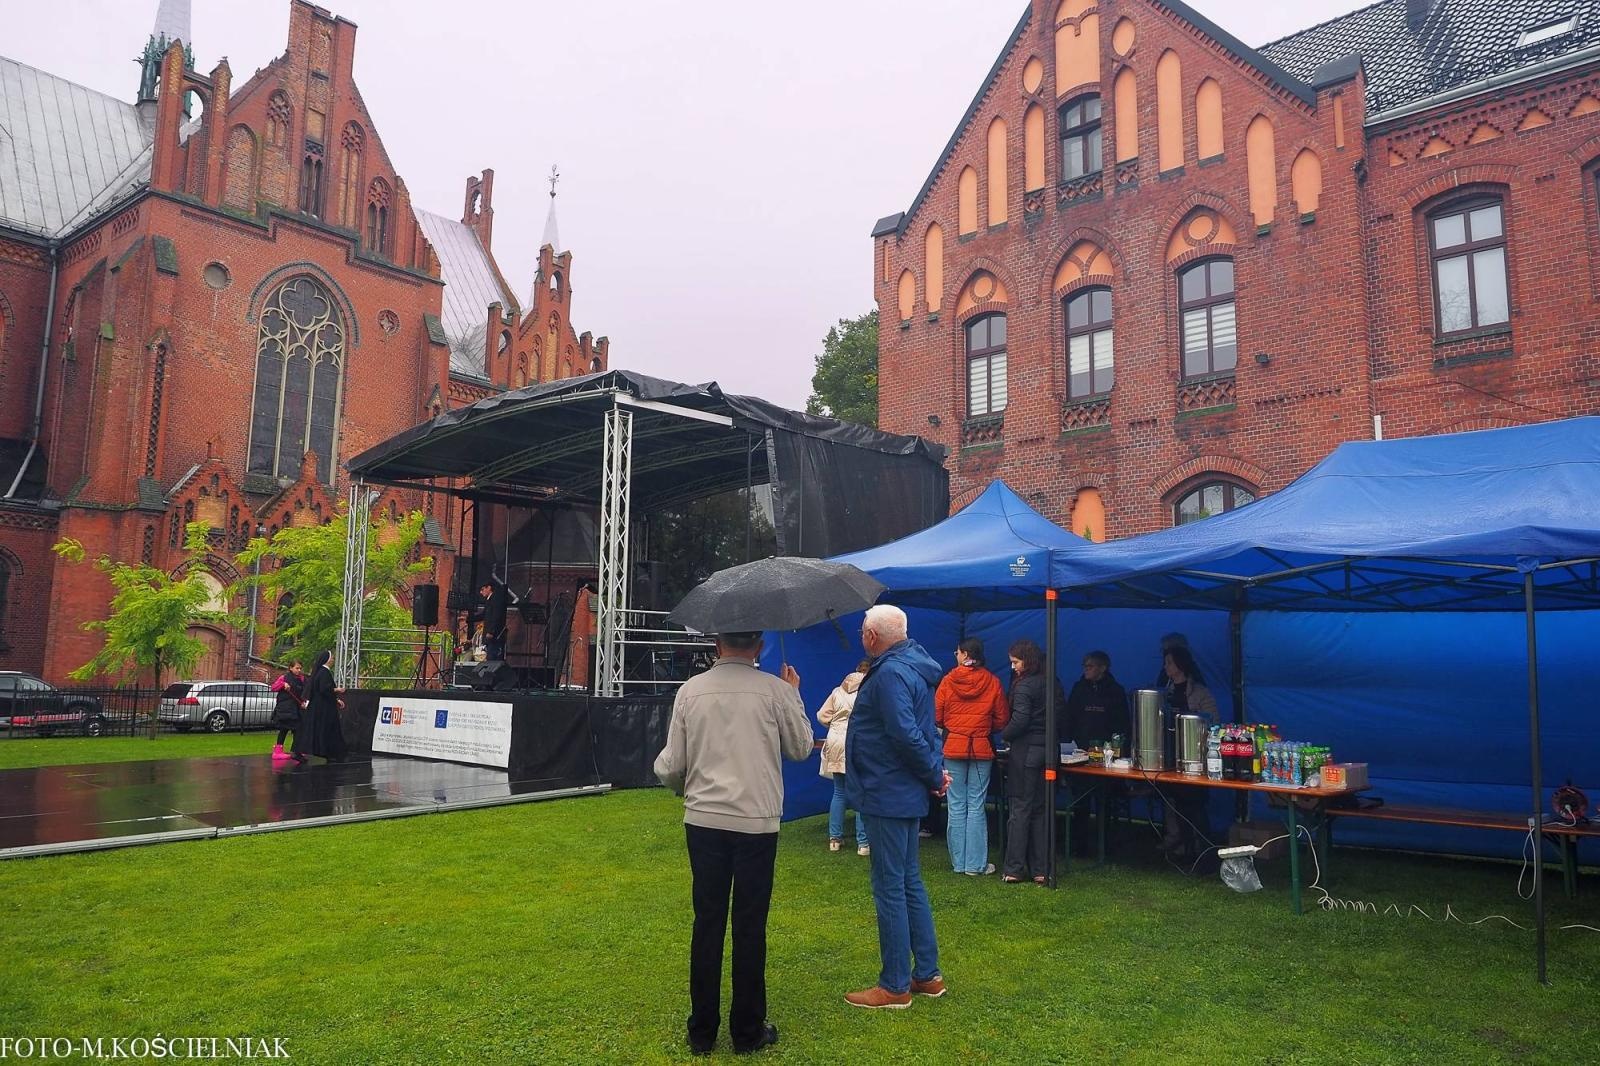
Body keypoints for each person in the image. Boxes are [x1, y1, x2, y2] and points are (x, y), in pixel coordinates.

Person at [653, 631, 812, 1056]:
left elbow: (673, 763)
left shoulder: (691, 690)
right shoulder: (777, 692)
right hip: (756, 822)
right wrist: (793, 696)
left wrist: (676, 783)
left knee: (707, 921)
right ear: (758, 646)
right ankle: (747, 1031)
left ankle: (701, 1031)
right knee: (749, 925)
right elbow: (799, 749)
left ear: (717, 645)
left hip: (704, 820)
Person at [843, 604, 949, 1010]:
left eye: (861, 630)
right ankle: (927, 975)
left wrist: (933, 775)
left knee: (891, 887)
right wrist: (934, 773)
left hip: (887, 792)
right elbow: (926, 730)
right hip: (900, 790)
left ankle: (895, 985)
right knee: (908, 882)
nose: (860, 636)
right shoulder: (914, 667)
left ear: (872, 637)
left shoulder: (888, 673)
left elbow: (906, 735)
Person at [934, 638, 1008, 876]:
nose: (955, 655)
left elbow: (937, 716)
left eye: (957, 652)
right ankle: (975, 865)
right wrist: (982, 729)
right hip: (980, 749)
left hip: (954, 746)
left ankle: (959, 863)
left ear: (965, 654)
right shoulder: (993, 681)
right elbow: (1002, 718)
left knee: (955, 805)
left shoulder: (947, 681)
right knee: (976, 805)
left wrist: (955, 728)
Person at [1000, 638, 1066, 884]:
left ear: (1027, 661)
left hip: (1025, 752)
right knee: (1040, 810)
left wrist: (1003, 734)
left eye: (1015, 662)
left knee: (1019, 810)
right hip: (1048, 752)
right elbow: (1061, 716)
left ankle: (1014, 868)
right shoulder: (1053, 684)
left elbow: (1020, 721)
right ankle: (1041, 869)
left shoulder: (1024, 686)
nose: (1013, 667)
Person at [1160, 643, 1219, 864]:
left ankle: (1204, 851)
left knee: (1196, 806)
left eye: (1169, 663)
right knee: (1177, 805)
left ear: (1180, 665)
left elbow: (1213, 720)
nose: (1165, 667)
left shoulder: (1200, 692)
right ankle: (1184, 848)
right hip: (1171, 757)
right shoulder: (1165, 691)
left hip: (1195, 758)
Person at [818, 660, 871, 856]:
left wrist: (835, 725)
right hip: (859, 742)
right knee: (860, 792)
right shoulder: (867, 691)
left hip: (836, 741)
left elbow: (822, 716)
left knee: (839, 792)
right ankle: (863, 843)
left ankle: (835, 839)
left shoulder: (837, 691)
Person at [1065, 651, 1128, 751]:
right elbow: (1069, 715)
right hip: (1080, 746)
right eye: (1084, 666)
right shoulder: (1078, 688)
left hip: (1107, 747)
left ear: (1102, 668)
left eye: (1090, 666)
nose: (1086, 669)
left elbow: (1121, 722)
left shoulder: (1116, 690)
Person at [303, 650, 346, 762]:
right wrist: (337, 690)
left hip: (324, 705)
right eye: (331, 658)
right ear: (327, 659)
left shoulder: (320, 672)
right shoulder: (324, 673)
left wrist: (336, 699)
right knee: (328, 729)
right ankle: (328, 752)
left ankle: (327, 752)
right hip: (325, 708)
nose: (333, 660)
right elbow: (324, 689)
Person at [269, 660, 308, 763]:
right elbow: (273, 687)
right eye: (296, 668)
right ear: (290, 668)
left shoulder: (303, 679)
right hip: (285, 708)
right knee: (284, 729)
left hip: (296, 708)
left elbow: (306, 692)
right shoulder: (284, 678)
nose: (299, 670)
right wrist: (283, 684)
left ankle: (296, 750)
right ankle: (279, 751)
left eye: (300, 668)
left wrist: (304, 701)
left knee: (297, 729)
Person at [470, 579, 509, 660]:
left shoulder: (496, 599)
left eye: (482, 589)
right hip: (489, 635)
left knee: (493, 656)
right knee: (489, 656)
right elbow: (484, 615)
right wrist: (469, 619)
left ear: (489, 588)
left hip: (494, 635)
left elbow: (496, 616)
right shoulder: (488, 600)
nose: (481, 592)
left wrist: (491, 631)